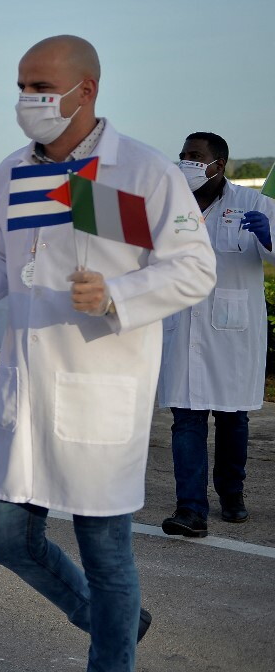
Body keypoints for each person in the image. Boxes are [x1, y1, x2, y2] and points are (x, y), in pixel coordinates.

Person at [0, 35, 216, 671]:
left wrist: (119, 292)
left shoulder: (141, 174)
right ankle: (114, 622)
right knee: (6, 539)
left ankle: (110, 657)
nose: (28, 99)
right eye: (22, 87)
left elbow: (195, 269)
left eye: (42, 87)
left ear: (85, 91)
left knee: (107, 554)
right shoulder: (14, 172)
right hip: (25, 385)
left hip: (99, 388)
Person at [157, 132, 275, 537]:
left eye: (195, 156)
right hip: (182, 324)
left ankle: (232, 495)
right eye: (183, 155)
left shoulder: (256, 204)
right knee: (185, 419)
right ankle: (190, 510)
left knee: (231, 417)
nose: (186, 161)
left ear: (218, 164)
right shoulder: (168, 207)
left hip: (231, 332)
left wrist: (269, 236)